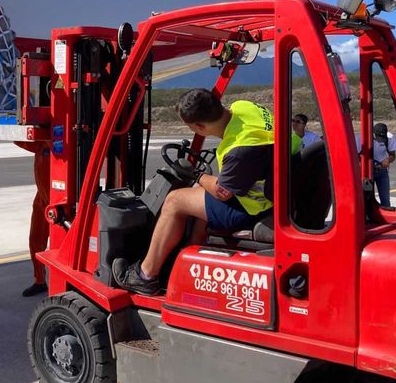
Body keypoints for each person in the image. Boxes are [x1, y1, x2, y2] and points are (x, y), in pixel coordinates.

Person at [113, 88, 277, 296]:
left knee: (175, 201)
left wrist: (196, 175)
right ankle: (189, 258)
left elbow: (222, 192)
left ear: (199, 127)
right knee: (199, 192)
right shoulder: (244, 107)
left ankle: (145, 275)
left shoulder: (238, 151)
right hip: (273, 189)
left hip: (252, 206)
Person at [14, 140, 51, 297]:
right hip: (42, 198)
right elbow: (23, 141)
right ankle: (40, 281)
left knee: (60, 246)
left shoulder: (59, 141)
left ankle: (64, 283)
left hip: (59, 200)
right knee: (35, 239)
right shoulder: (41, 143)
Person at [356, 123, 396, 207]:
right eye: (378, 138)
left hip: (382, 171)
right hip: (366, 172)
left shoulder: (389, 138)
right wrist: (371, 163)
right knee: (366, 198)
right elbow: (355, 156)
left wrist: (388, 160)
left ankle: (386, 216)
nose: (380, 140)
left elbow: (393, 155)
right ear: (373, 133)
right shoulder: (361, 139)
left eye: (382, 139)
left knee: (385, 199)